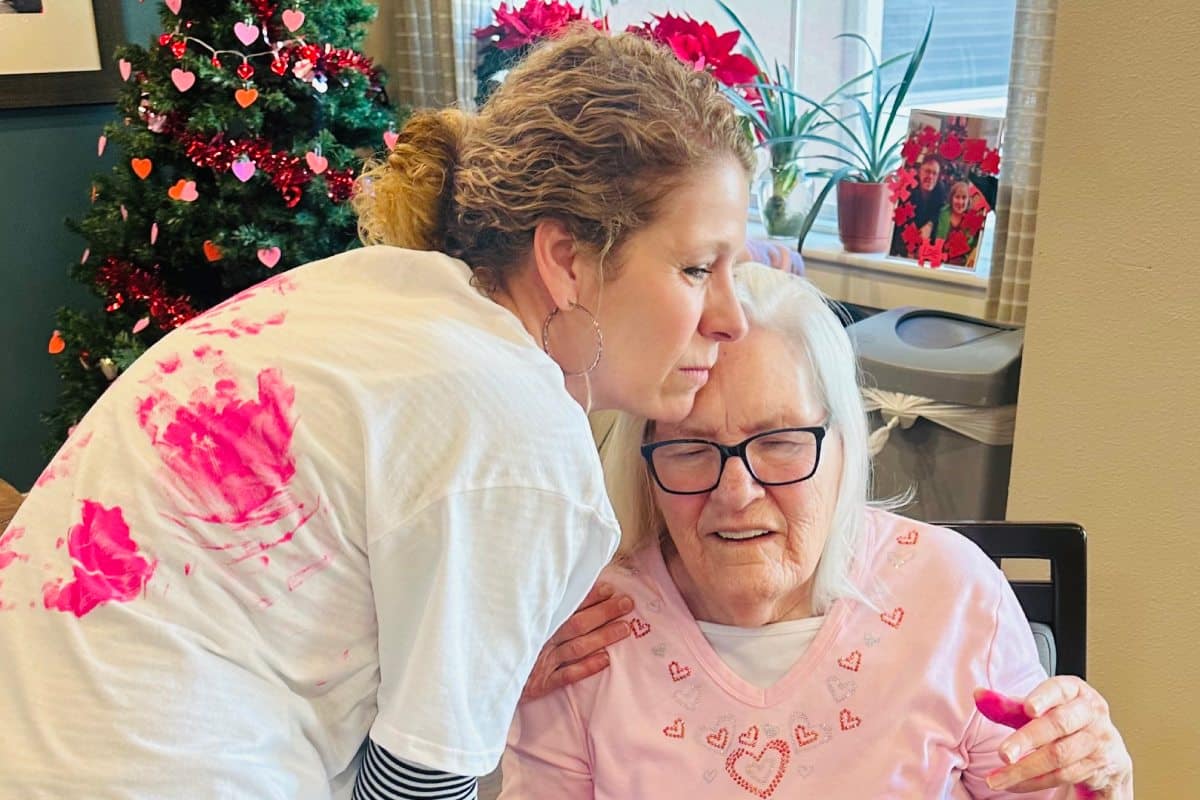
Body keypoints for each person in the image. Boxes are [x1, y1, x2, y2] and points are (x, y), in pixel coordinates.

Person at [0, 28, 755, 799]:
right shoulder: (516, 432)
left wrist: (472, 677)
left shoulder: (372, 295)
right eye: (697, 267)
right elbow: (410, 794)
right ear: (565, 260)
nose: (732, 319)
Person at [501, 263, 1133, 799]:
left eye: (778, 442)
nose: (736, 493)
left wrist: (1100, 776)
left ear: (843, 447)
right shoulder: (586, 628)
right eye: (691, 450)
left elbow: (1045, 784)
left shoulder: (955, 591)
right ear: (645, 465)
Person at [891, 153, 946, 257]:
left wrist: (930, 224)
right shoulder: (908, 189)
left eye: (934, 173)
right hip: (905, 240)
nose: (930, 176)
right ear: (920, 171)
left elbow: (941, 211)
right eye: (927, 171)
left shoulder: (940, 189)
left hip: (926, 243)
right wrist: (909, 250)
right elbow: (900, 224)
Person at [934, 180, 980, 266]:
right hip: (942, 259)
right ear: (951, 198)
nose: (960, 202)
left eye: (964, 198)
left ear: (968, 200)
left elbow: (972, 245)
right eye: (957, 197)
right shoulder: (943, 213)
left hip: (963, 262)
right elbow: (939, 240)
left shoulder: (972, 218)